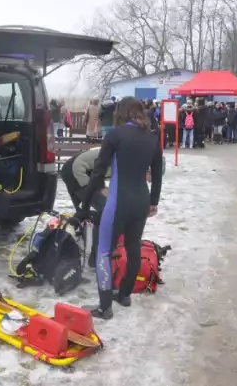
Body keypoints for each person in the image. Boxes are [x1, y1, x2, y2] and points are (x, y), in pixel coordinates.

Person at [76, 97, 163, 320]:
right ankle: (124, 295)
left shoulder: (115, 135)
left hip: (118, 202)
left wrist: (85, 204)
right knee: (133, 247)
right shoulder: (153, 138)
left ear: (120, 113)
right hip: (141, 200)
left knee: (104, 251)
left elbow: (98, 172)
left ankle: (105, 307)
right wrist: (154, 202)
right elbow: (157, 174)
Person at [60, 147, 107, 268]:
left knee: (83, 212)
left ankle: (64, 245)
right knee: (103, 210)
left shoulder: (115, 150)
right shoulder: (117, 155)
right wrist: (101, 187)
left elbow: (96, 170)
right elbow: (98, 168)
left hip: (69, 169)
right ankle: (95, 256)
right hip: (77, 171)